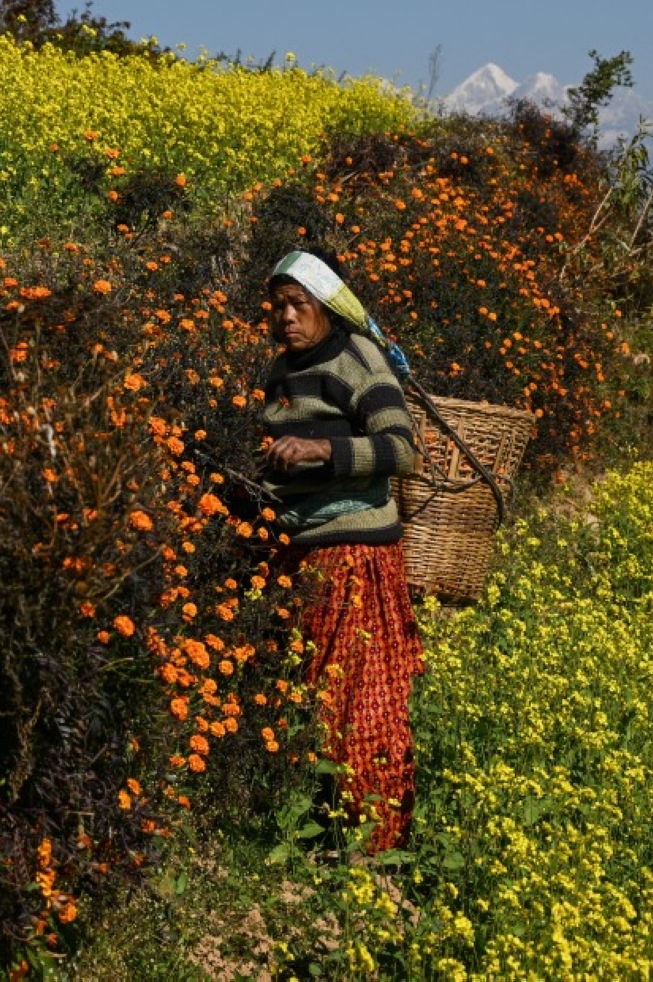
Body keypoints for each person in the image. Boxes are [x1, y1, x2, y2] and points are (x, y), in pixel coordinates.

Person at [258, 249, 424, 853]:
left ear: (326, 306)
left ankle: (375, 841)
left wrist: (323, 452)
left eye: (298, 305)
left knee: (363, 699)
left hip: (355, 551)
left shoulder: (359, 360)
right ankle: (320, 830)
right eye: (276, 307)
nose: (286, 319)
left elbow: (402, 450)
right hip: (297, 554)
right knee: (311, 702)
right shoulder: (280, 373)